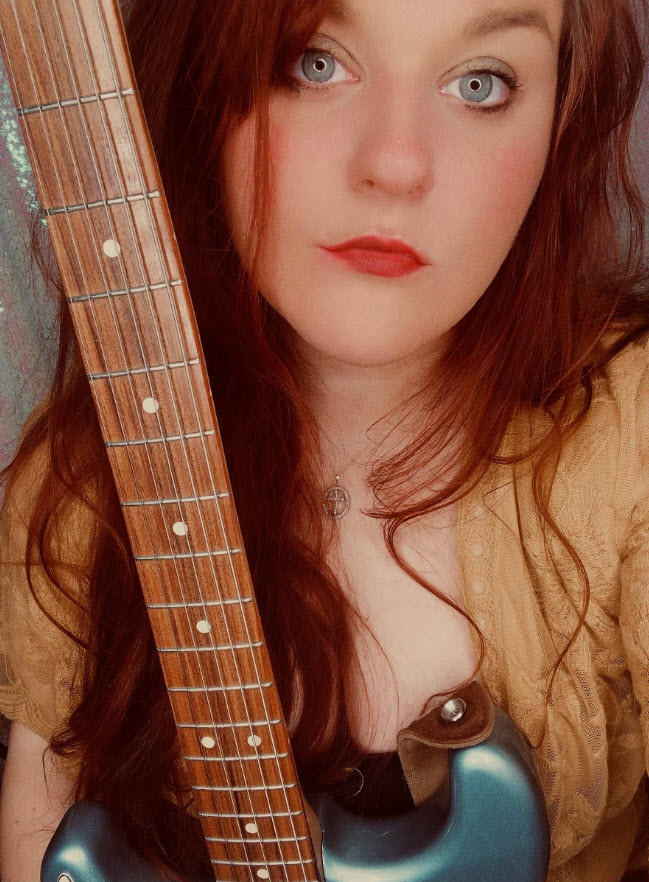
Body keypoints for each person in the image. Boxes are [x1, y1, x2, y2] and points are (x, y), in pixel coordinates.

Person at [1, 0, 649, 879]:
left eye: (480, 84)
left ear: (559, 124)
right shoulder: (79, 484)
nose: (395, 164)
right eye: (313, 62)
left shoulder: (627, 442)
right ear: (204, 90)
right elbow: (46, 818)